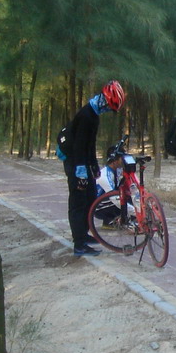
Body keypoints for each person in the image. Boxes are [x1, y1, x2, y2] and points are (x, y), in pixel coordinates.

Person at [64, 80, 125, 256]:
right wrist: (81, 174)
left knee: (90, 197)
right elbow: (78, 147)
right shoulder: (86, 116)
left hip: (83, 161)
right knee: (78, 202)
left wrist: (94, 166)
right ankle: (79, 244)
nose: (108, 110)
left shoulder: (94, 115)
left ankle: (84, 234)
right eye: (109, 107)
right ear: (105, 100)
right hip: (75, 162)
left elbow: (90, 145)